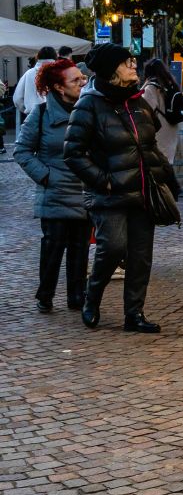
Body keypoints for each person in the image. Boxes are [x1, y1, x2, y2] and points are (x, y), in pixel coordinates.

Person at [63, 44, 178, 334]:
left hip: (143, 190)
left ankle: (134, 314)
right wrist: (104, 180)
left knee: (141, 255)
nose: (134, 66)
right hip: (109, 194)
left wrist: (165, 173)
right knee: (112, 247)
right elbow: (73, 153)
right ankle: (93, 297)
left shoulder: (139, 102)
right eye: (128, 63)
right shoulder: (88, 105)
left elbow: (150, 144)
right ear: (112, 70)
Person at [16, 58, 90, 315]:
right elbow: (22, 151)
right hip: (55, 192)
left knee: (80, 249)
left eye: (82, 78)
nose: (83, 83)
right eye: (76, 80)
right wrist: (46, 177)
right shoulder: (41, 114)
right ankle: (45, 295)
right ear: (59, 87)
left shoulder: (88, 110)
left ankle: (77, 296)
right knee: (53, 246)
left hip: (83, 191)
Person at [137, 57, 183, 166]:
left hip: (159, 136)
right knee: (167, 166)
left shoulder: (150, 89)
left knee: (160, 170)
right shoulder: (171, 85)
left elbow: (144, 114)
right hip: (171, 132)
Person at [13, 45, 56, 124]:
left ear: (38, 57)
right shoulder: (61, 73)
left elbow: (17, 99)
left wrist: (26, 110)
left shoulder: (29, 73)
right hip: (56, 117)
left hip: (32, 116)